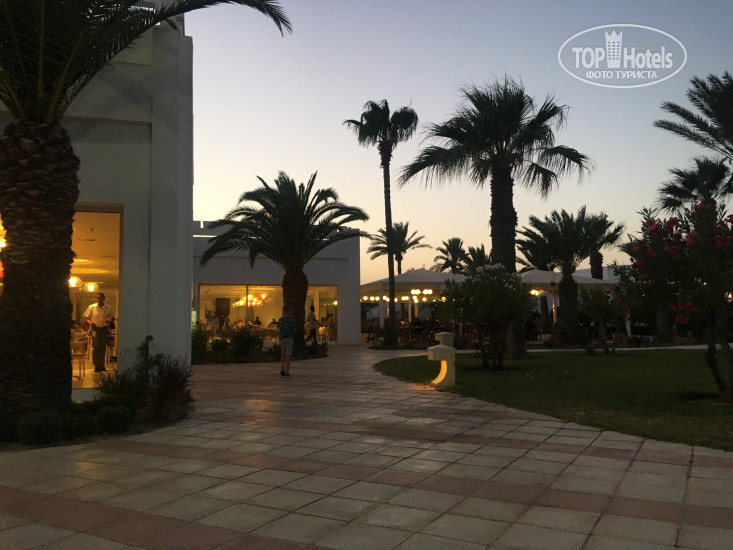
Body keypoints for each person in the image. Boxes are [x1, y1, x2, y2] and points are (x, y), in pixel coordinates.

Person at [83, 292, 115, 372]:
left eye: (100, 297)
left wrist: (110, 321)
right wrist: (91, 323)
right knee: (96, 346)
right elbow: (87, 318)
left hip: (104, 328)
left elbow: (113, 317)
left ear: (104, 298)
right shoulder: (92, 307)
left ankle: (102, 365)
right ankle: (96, 365)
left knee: (103, 347)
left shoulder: (108, 307)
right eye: (97, 298)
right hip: (95, 329)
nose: (99, 299)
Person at [278, 306, 296, 377]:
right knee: (288, 355)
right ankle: (287, 372)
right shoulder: (291, 320)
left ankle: (282, 368)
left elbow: (279, 328)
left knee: (283, 354)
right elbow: (294, 330)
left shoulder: (280, 320)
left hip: (282, 338)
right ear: (288, 311)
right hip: (289, 338)